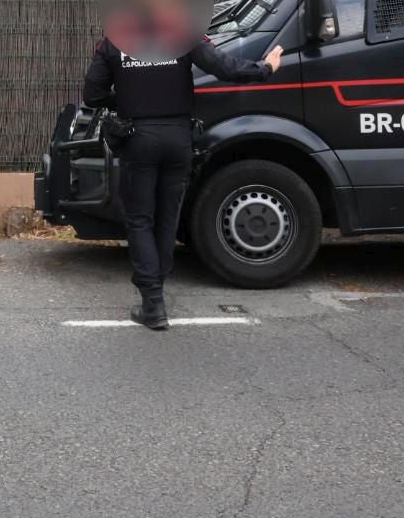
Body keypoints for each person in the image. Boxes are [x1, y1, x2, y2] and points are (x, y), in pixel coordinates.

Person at [82, 34, 282, 331]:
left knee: (139, 219)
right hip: (178, 138)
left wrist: (125, 98)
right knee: (168, 217)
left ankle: (153, 302)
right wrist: (265, 68)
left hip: (138, 138)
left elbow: (93, 94)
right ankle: (157, 292)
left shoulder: (116, 38)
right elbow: (225, 67)